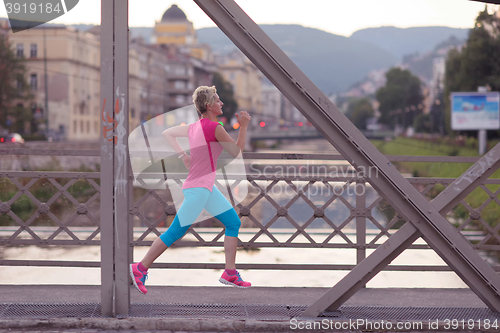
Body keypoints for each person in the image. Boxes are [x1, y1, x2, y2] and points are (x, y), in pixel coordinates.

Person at [130, 85, 252, 294]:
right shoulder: (216, 128)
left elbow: (168, 133)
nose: (221, 103)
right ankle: (139, 268)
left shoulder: (194, 127)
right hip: (199, 189)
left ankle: (230, 273)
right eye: (218, 100)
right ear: (208, 105)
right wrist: (243, 126)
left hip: (205, 187)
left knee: (233, 222)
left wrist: (182, 155)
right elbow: (236, 153)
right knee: (176, 231)